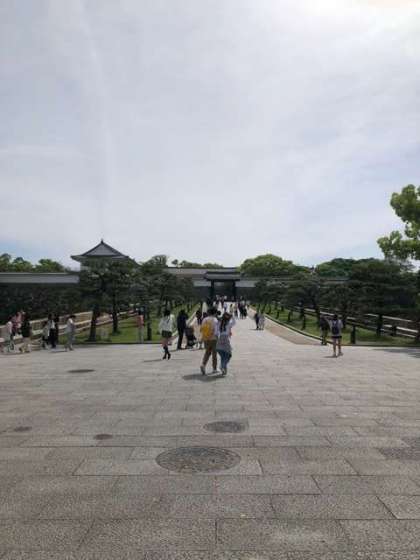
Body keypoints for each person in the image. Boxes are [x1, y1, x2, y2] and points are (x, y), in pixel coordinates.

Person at [200, 307, 219, 375]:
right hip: (213, 338)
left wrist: (203, 337)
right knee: (214, 354)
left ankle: (203, 364)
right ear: (215, 313)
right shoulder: (215, 320)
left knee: (207, 352)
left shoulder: (204, 319)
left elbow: (202, 329)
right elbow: (216, 331)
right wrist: (217, 337)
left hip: (206, 338)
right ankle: (214, 369)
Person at [216, 311, 235, 376]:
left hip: (220, 339)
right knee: (229, 355)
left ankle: (224, 370)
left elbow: (216, 331)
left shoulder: (219, 322)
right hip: (226, 339)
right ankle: (222, 366)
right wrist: (232, 316)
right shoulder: (228, 323)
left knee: (223, 356)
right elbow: (234, 322)